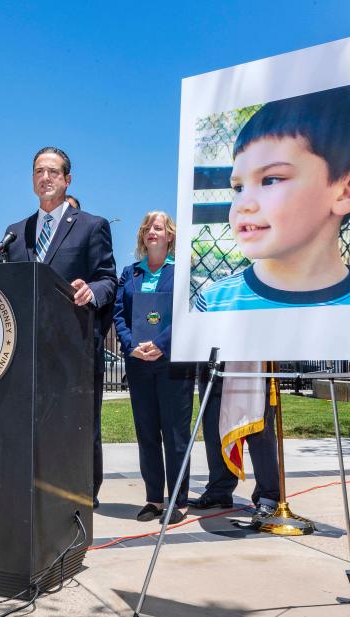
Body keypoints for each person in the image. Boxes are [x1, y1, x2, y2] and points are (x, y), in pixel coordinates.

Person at [195, 82, 350, 312]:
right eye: (238, 187)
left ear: (349, 189)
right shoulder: (212, 302)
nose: (243, 205)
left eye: (270, 180)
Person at [3, 146, 117, 507]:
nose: (45, 177)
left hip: (74, 348)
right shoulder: (16, 233)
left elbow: (108, 280)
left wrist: (92, 290)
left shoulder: (91, 226)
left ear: (67, 180)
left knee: (79, 425)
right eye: (39, 171)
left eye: (53, 172)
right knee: (31, 423)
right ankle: (34, 489)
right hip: (27, 350)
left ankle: (83, 494)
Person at [113, 211, 195, 522]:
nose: (151, 231)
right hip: (138, 364)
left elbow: (187, 313)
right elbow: (119, 313)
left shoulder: (182, 272)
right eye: (147, 227)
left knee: (175, 434)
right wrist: (131, 344)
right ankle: (153, 499)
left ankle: (178, 501)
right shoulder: (131, 273)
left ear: (170, 236)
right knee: (147, 432)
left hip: (172, 363)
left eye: (158, 227)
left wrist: (160, 344)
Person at [188, 364, 279, 518]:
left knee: (260, 433)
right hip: (215, 360)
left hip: (253, 365)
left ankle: (268, 495)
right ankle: (219, 491)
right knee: (214, 428)